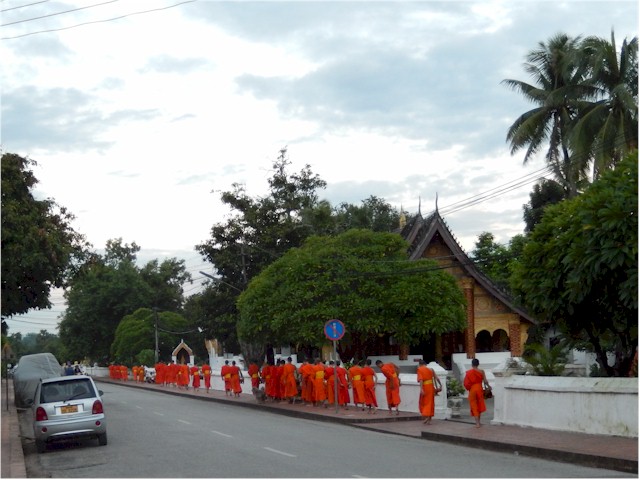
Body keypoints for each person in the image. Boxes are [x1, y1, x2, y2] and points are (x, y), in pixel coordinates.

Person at [464, 358, 491, 428]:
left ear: (472, 364)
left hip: (472, 389)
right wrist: (488, 386)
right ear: (478, 364)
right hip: (479, 389)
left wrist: (469, 388)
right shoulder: (481, 371)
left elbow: (466, 383)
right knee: (479, 404)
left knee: (474, 405)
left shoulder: (469, 372)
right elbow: (485, 381)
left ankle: (477, 423)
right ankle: (479, 421)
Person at [416, 359, 441, 424]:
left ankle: (427, 416)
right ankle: (429, 419)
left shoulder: (420, 369)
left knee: (425, 402)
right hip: (431, 387)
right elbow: (437, 378)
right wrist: (440, 385)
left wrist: (421, 389)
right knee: (431, 402)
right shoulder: (431, 369)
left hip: (425, 387)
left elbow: (421, 380)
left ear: (420, 364)